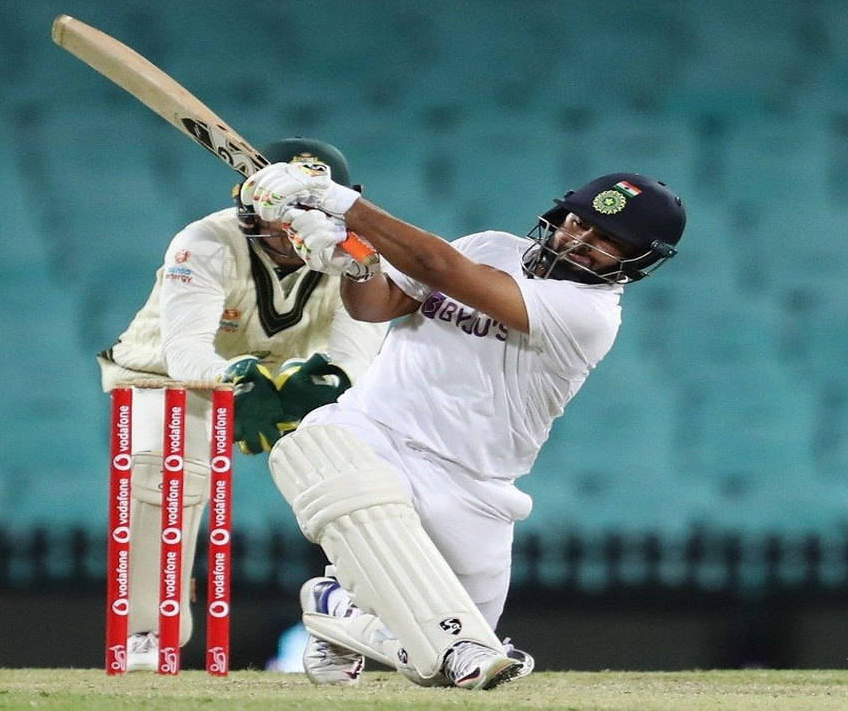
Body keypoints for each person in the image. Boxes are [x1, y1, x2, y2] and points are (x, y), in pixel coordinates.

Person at [240, 162, 684, 689]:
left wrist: (338, 202)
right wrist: (357, 267)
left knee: (457, 661)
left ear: (637, 262)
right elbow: (377, 307)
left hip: (475, 484)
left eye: (608, 239)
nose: (580, 239)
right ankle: (347, 612)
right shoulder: (490, 246)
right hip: (375, 429)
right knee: (323, 456)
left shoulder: (589, 314)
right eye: (578, 222)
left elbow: (440, 267)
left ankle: (336, 607)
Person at [97, 138, 388, 670]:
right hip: (167, 375)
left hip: (287, 373)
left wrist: (329, 381)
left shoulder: (360, 252)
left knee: (362, 472)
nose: (291, 226)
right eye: (284, 209)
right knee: (165, 469)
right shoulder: (204, 242)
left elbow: (355, 356)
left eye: (310, 208)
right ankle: (149, 630)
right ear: (251, 200)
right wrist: (235, 380)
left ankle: (347, 625)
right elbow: (186, 354)